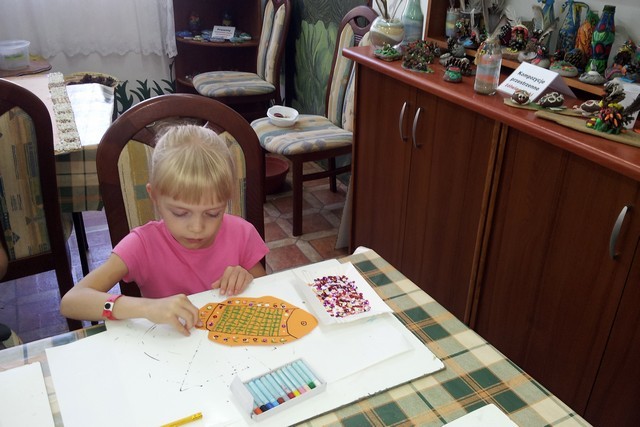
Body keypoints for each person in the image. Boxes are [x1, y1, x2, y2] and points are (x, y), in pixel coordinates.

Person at [61, 125, 268, 336]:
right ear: (154, 196)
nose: (197, 228)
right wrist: (146, 308)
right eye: (180, 213)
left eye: (213, 213)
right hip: (167, 347)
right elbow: (72, 301)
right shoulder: (142, 244)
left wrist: (246, 279)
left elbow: (268, 291)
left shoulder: (242, 234)